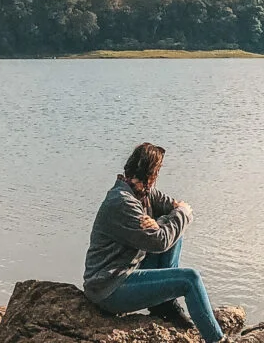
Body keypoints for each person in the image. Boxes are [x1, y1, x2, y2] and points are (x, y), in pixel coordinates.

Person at [83, 142, 227, 343]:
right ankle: (217, 340)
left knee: (175, 230)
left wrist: (167, 220)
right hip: (109, 287)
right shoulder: (122, 201)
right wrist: (175, 217)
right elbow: (161, 240)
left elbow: (174, 209)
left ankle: (164, 305)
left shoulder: (144, 194)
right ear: (150, 173)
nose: (157, 177)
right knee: (190, 279)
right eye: (157, 172)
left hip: (128, 271)